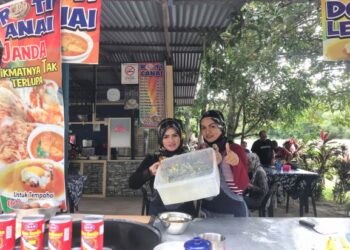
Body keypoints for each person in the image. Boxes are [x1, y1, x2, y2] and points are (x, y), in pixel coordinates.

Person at [128, 118, 196, 216]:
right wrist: (149, 172)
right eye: (166, 137)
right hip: (158, 214)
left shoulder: (189, 158)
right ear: (160, 139)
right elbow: (132, 183)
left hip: (185, 214)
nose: (171, 140)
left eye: (175, 135)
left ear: (180, 137)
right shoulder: (153, 159)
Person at [199, 110, 249, 217]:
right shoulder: (201, 153)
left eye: (212, 126)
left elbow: (243, 186)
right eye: (203, 128)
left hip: (233, 215)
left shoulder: (235, 150)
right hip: (205, 214)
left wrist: (236, 163)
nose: (207, 131)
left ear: (222, 127)